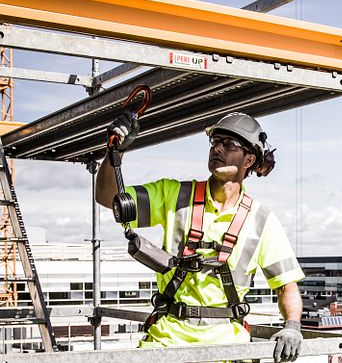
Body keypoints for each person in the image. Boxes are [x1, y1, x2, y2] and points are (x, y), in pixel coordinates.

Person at [95, 112, 304, 363]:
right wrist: (114, 152)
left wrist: (292, 326)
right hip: (167, 341)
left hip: (229, 348)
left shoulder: (261, 220)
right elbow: (108, 197)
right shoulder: (174, 195)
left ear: (249, 159)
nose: (217, 148)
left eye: (228, 144)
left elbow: (286, 285)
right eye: (215, 142)